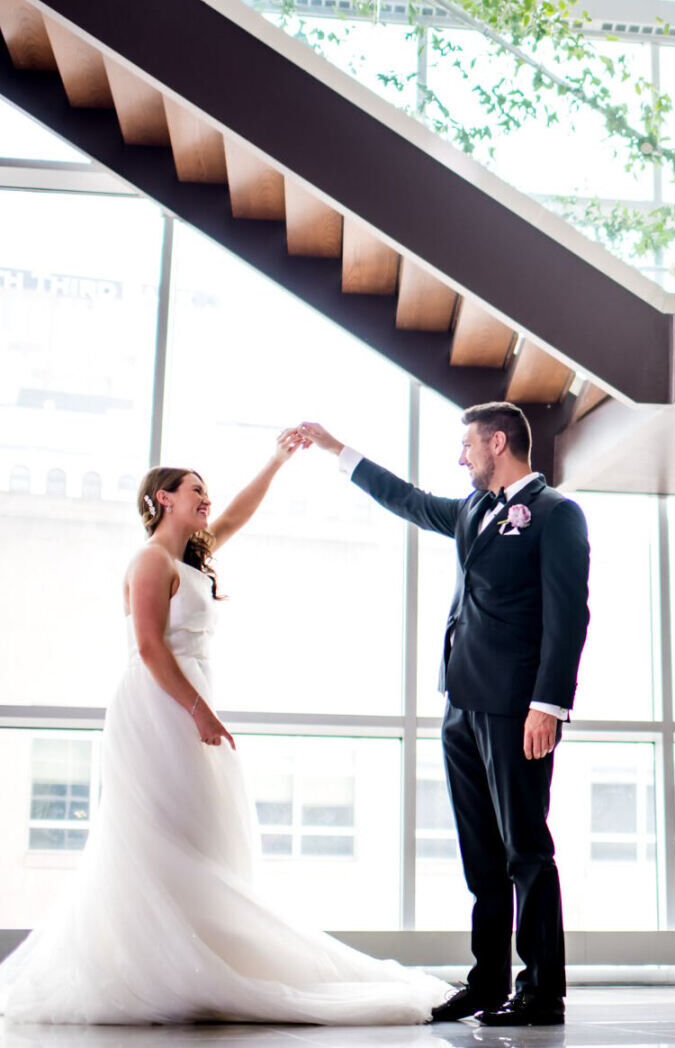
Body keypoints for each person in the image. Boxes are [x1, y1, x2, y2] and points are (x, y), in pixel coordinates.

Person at [0, 432, 448, 1026]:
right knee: (161, 833)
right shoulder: (149, 562)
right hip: (160, 707)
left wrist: (278, 461)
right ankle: (156, 965)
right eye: (195, 491)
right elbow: (149, 647)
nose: (206, 500)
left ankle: (203, 954)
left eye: (206, 491)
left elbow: (238, 512)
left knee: (201, 832)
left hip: (190, 702)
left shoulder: (190, 559)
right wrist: (198, 710)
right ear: (163, 498)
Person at [298, 402, 590, 1027]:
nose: (461, 458)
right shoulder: (473, 512)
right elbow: (406, 499)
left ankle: (542, 991)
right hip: (460, 701)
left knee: (526, 850)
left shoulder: (556, 514)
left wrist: (548, 705)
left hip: (518, 708)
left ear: (498, 442)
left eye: (468, 447)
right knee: (480, 856)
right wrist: (337, 449)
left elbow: (569, 616)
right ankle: (488, 982)